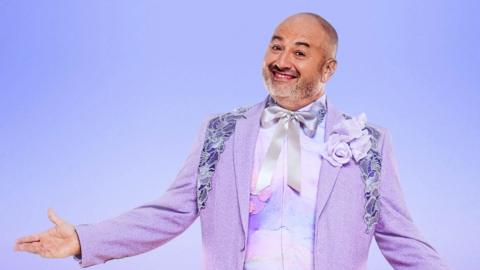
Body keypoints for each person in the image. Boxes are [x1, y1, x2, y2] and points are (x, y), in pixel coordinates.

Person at [14, 12, 450, 269]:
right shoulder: (220, 131)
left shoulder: (369, 142)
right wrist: (85, 240)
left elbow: (401, 238)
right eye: (276, 47)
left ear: (329, 68)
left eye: (300, 52)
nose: (282, 61)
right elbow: (171, 212)